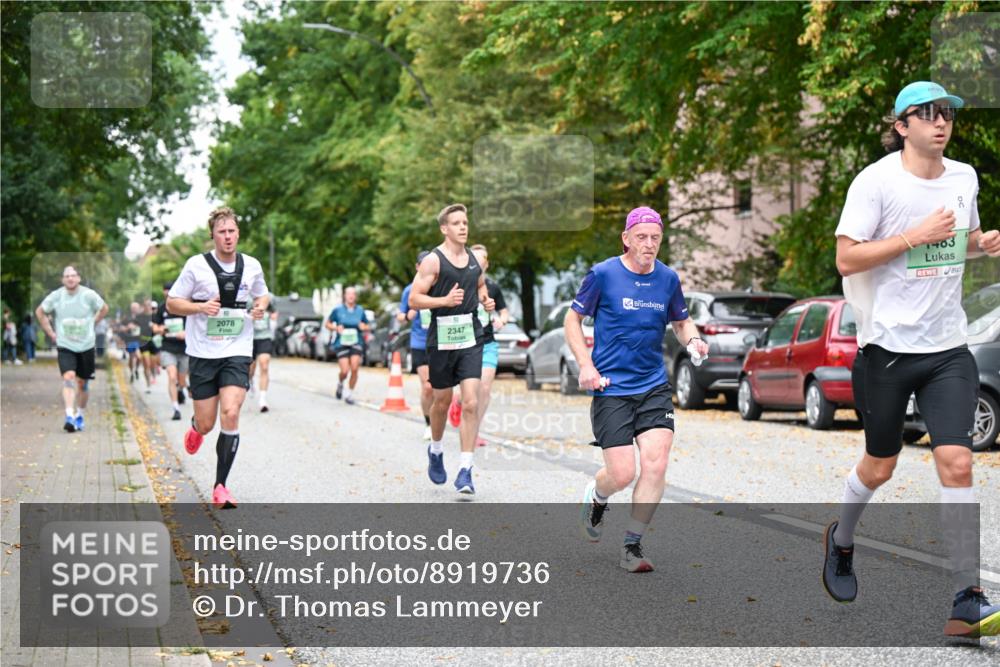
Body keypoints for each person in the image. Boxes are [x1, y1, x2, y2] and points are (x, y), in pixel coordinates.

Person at [825, 81, 1000, 637]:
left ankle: (965, 600)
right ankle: (842, 538)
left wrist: (982, 244)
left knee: (958, 461)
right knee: (881, 466)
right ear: (902, 127)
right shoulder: (875, 182)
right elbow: (847, 259)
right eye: (926, 115)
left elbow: (957, 241)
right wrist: (911, 235)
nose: (940, 123)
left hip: (948, 347)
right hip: (886, 350)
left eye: (946, 114)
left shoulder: (964, 177)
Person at [566, 206, 708, 572]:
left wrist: (693, 341)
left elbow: (681, 321)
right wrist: (586, 364)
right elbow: (573, 318)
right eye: (642, 237)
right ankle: (597, 497)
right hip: (611, 387)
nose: (649, 245)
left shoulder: (668, 279)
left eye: (655, 238)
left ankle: (632, 544)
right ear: (626, 239)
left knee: (657, 463)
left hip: (653, 386)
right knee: (622, 474)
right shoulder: (603, 275)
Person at [167, 207, 269, 509]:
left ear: (238, 233)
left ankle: (221, 486)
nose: (227, 237)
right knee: (208, 422)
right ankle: (197, 428)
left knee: (232, 413)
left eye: (232, 231)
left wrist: (260, 306)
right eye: (222, 232)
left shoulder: (251, 266)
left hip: (237, 351)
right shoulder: (196, 266)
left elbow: (263, 295)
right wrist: (199, 308)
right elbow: (172, 303)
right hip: (202, 353)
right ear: (213, 235)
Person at [408, 203, 494, 495]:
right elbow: (415, 300)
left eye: (465, 222)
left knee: (470, 401)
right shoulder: (433, 261)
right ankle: (435, 450)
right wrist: (443, 301)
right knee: (442, 400)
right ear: (444, 228)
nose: (463, 227)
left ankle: (466, 470)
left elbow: (480, 284)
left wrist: (485, 300)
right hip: (442, 338)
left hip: (471, 337)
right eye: (456, 223)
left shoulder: (473, 260)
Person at [35, 265, 109, 432]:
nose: (70, 278)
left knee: (83, 384)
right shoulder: (56, 296)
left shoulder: (88, 295)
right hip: (65, 344)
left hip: (86, 345)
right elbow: (40, 312)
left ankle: (79, 414)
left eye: (73, 275)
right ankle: (69, 415)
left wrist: (93, 321)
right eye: (67, 276)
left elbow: (104, 308)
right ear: (63, 279)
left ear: (79, 278)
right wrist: (50, 332)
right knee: (68, 377)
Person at [470, 244, 508, 447]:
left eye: (481, 260)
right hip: (466, 345)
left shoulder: (493, 287)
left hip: (487, 343)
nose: (478, 263)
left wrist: (502, 319)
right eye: (473, 259)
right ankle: (458, 404)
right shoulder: (461, 284)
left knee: (484, 388)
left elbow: (504, 311)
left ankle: (474, 431)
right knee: (467, 391)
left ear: (486, 264)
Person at [398, 250, 434, 440]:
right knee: (427, 386)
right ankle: (429, 423)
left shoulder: (439, 286)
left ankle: (439, 417)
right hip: (420, 341)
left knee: (441, 388)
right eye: (423, 264)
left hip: (440, 341)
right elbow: (400, 315)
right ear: (417, 267)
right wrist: (406, 316)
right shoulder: (409, 290)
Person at [325, 286, 369, 406]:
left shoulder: (360, 310)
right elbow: (327, 324)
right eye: (349, 294)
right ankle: (340, 383)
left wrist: (363, 327)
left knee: (354, 368)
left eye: (353, 294)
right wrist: (335, 327)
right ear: (345, 296)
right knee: (345, 371)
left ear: (355, 297)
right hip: (342, 342)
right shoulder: (338, 310)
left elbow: (367, 326)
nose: (351, 296)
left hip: (356, 342)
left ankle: (349, 393)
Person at [152, 281, 189, 421]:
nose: (167, 292)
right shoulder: (162, 308)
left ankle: (181, 390)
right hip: (168, 348)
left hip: (184, 348)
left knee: (181, 380)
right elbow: (155, 327)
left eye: (170, 290)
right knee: (171, 376)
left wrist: (185, 332)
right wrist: (161, 329)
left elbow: (194, 326)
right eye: (165, 290)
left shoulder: (183, 306)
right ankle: (176, 408)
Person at [248, 301, 277, 412]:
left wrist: (273, 316)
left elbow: (275, 313)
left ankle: (262, 399)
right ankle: (250, 380)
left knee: (264, 366)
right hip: (250, 338)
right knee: (251, 368)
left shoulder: (267, 298)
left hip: (265, 337)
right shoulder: (248, 298)